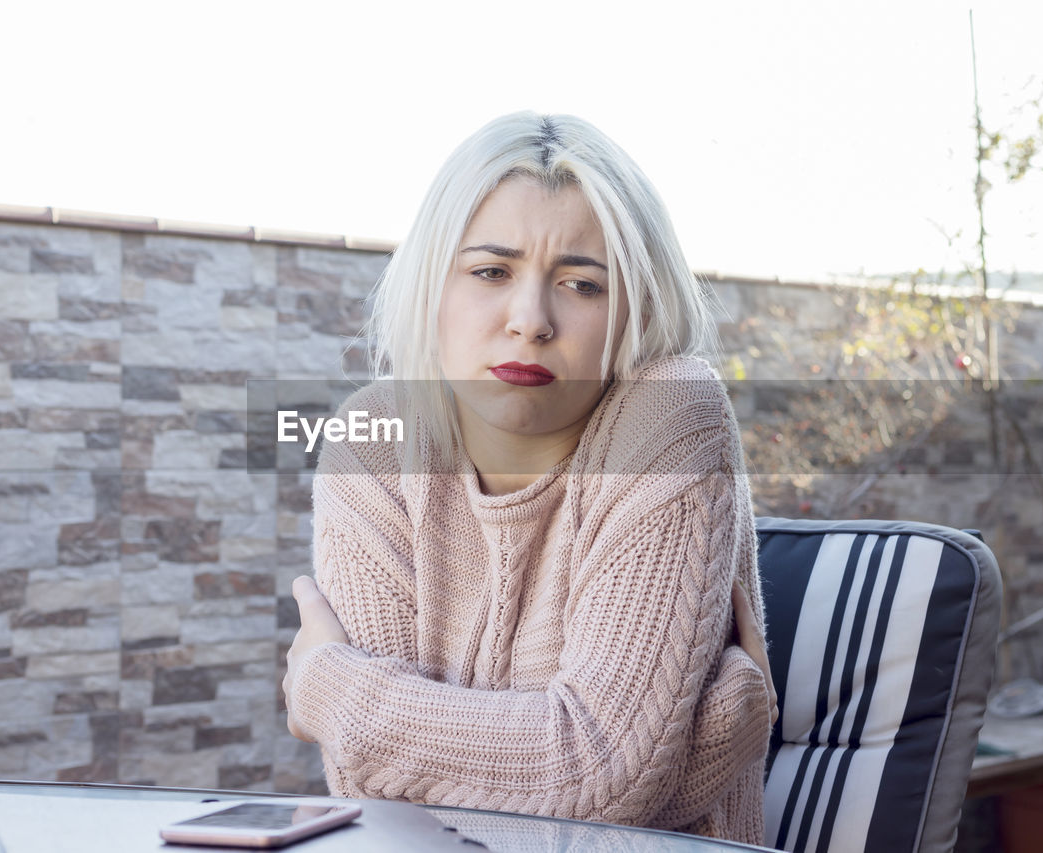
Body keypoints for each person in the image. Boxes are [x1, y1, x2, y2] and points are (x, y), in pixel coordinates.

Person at [279, 111, 777, 843]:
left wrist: (331, 688)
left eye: (582, 284)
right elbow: (375, 795)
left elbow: (600, 773)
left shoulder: (671, 411)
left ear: (634, 305)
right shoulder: (375, 442)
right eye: (490, 271)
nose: (531, 318)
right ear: (433, 284)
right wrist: (710, 734)